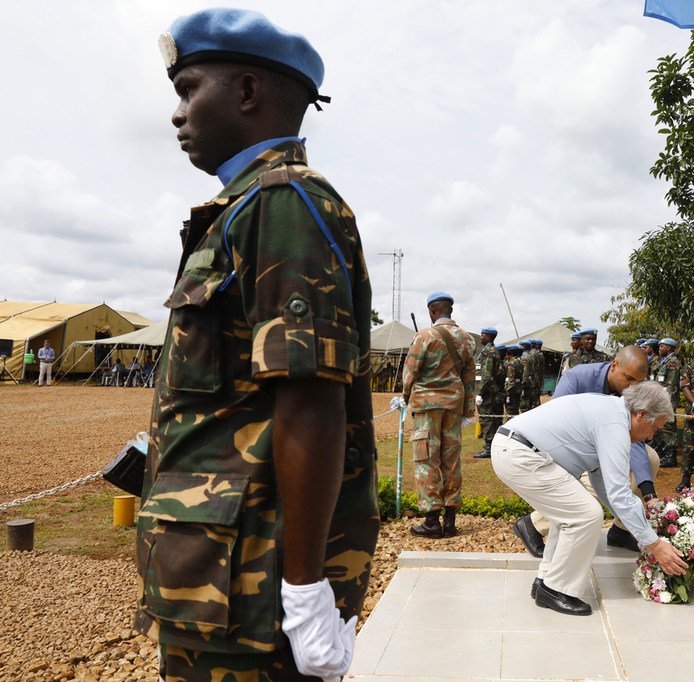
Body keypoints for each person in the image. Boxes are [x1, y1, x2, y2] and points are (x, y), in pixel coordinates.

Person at [135, 9, 378, 680]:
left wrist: (304, 593)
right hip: (217, 574)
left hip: (250, 591)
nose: (178, 114)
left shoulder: (282, 205)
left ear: (245, 93)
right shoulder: (244, 209)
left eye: (188, 89)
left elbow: (309, 404)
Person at [492, 382, 688, 615]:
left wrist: (638, 525)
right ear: (641, 414)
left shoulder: (613, 413)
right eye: (654, 428)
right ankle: (555, 589)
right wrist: (653, 544)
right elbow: (619, 493)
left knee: (570, 515)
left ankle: (545, 581)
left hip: (516, 448)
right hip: (520, 453)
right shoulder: (614, 424)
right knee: (585, 515)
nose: (651, 436)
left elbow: (602, 482)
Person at [513, 346, 659, 558]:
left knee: (650, 458)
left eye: (639, 381)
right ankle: (534, 523)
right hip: (570, 450)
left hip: (606, 449)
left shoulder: (631, 393)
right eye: (629, 378)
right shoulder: (577, 378)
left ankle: (622, 527)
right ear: (614, 366)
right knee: (592, 490)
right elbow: (555, 425)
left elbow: (633, 439)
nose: (633, 386)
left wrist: (649, 493)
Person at [402, 291, 476, 538]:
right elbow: (469, 379)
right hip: (454, 406)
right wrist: (468, 411)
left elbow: (410, 372)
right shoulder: (467, 339)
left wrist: (405, 398)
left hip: (427, 406)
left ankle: (432, 520)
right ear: (450, 311)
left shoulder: (424, 336)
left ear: (432, 311)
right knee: (451, 460)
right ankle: (450, 519)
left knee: (426, 459)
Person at [653, 338, 683, 468]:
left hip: (668, 399)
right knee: (663, 427)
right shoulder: (664, 362)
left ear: (669, 348)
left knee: (669, 427)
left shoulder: (673, 363)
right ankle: (664, 452)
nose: (659, 349)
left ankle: (671, 457)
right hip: (662, 398)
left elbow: (671, 385)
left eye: (662, 347)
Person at [474, 327, 501, 459]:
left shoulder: (489, 352)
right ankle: (491, 445)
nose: (480, 337)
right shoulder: (488, 350)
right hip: (487, 390)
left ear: (489, 337)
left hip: (486, 391)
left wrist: (480, 392)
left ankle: (488, 448)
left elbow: (487, 374)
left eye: (482, 335)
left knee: (486, 418)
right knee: (489, 417)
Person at [677, 337, 694, 491]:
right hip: (693, 411)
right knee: (689, 447)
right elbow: (685, 387)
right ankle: (685, 479)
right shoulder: (689, 367)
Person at [504, 344, 524, 417]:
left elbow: (511, 380)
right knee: (515, 410)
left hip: (512, 390)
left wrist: (508, 393)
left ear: (511, 353)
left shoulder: (511, 363)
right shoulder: (520, 362)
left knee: (511, 411)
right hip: (518, 388)